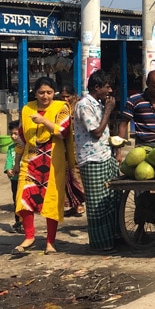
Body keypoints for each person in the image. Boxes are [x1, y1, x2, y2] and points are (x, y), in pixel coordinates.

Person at [10, 76, 74, 255]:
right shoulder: (27, 108)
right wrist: (16, 161)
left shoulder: (61, 107)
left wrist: (44, 121)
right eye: (41, 92)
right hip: (30, 160)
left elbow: (63, 132)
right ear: (35, 93)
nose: (45, 96)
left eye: (49, 92)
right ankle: (29, 237)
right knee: (23, 198)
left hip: (53, 160)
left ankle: (50, 242)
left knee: (51, 201)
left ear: (54, 93)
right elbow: (22, 136)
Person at [72, 70, 119, 253]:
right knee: (97, 203)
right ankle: (101, 244)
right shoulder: (85, 105)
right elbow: (96, 132)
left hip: (105, 155)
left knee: (112, 199)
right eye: (106, 87)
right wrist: (108, 110)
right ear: (96, 87)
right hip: (92, 160)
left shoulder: (98, 104)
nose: (109, 90)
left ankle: (113, 237)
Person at [60, 84, 86, 217]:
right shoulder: (60, 107)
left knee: (76, 174)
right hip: (63, 145)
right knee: (65, 175)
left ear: (74, 96)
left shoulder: (80, 106)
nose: (65, 99)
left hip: (77, 145)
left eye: (68, 96)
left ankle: (80, 203)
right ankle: (74, 204)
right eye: (62, 96)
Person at [3, 120, 23, 234]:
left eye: (16, 134)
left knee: (23, 202)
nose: (13, 136)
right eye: (11, 134)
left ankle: (25, 223)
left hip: (24, 178)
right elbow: (9, 160)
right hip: (15, 179)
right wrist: (8, 170)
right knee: (16, 200)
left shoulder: (26, 147)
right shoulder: (11, 148)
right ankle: (18, 222)